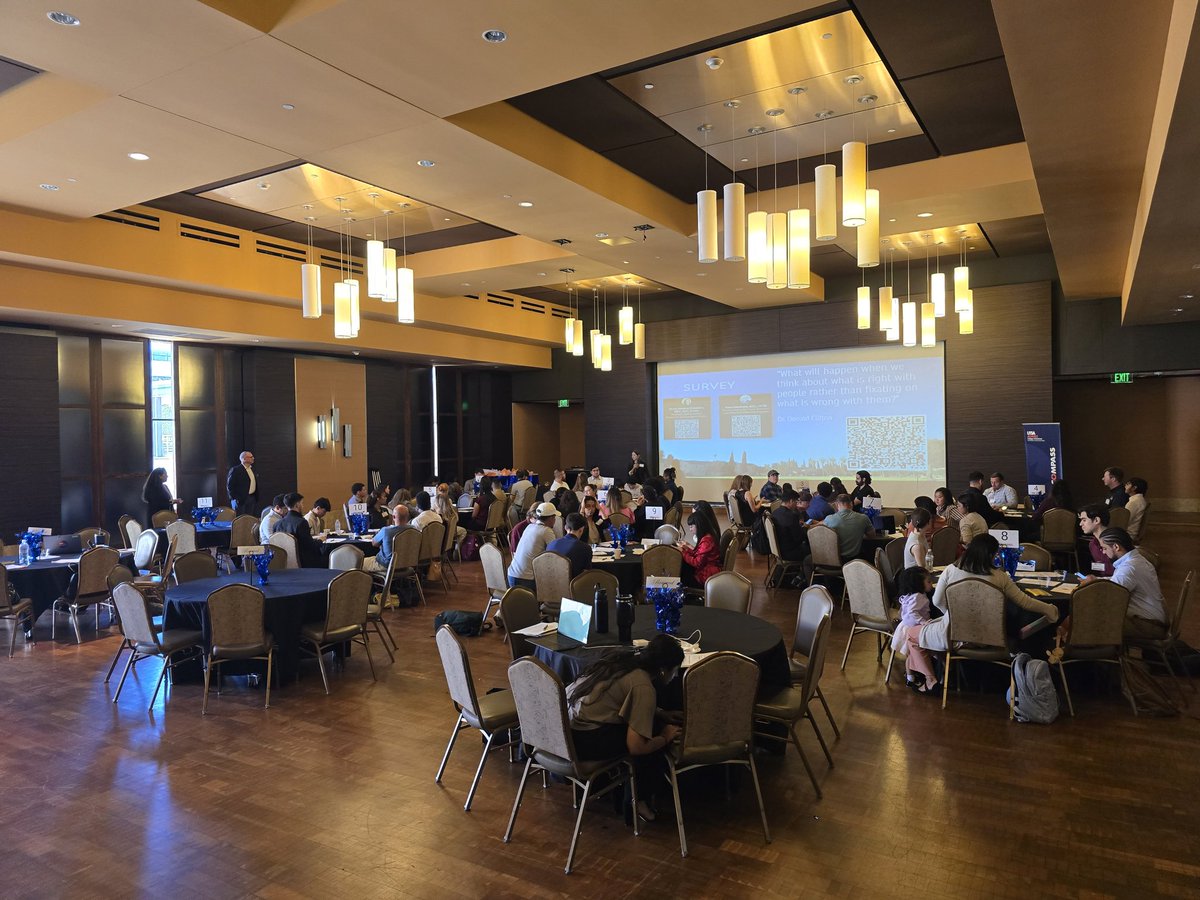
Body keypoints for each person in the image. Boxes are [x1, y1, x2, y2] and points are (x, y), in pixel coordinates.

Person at [567, 634, 683, 822]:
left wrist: (659, 712)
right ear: (663, 670)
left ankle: (626, 796)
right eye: (674, 670)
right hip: (584, 742)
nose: (674, 676)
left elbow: (618, 702)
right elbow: (636, 747)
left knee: (647, 724)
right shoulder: (644, 686)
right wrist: (665, 737)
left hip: (567, 732)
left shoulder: (622, 661)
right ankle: (638, 801)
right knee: (650, 736)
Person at [918, 534, 1059, 654]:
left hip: (957, 636)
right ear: (991, 555)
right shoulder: (1000, 577)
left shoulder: (951, 570)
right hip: (992, 638)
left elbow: (937, 601)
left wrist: (953, 615)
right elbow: (1024, 601)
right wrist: (1049, 609)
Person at [1082, 527, 1168, 639]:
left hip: (1149, 625)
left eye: (1104, 548)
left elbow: (1110, 596)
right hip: (1152, 620)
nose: (1103, 552)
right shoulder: (1137, 560)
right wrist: (1096, 580)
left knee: (1091, 620)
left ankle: (1102, 655)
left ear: (1116, 547)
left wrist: (1088, 588)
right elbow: (1117, 582)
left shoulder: (1129, 568)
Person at [892, 566, 939, 693]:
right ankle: (911, 677)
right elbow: (912, 612)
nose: (931, 584)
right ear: (919, 584)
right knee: (911, 655)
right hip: (913, 627)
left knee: (910, 655)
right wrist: (924, 622)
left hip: (906, 626)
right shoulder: (919, 597)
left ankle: (911, 677)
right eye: (928, 582)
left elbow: (904, 612)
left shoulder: (910, 595)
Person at [506, 502, 557, 589]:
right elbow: (555, 555)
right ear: (551, 518)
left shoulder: (529, 527)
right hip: (526, 579)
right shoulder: (546, 531)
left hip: (511, 576)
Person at [273, 493, 323, 568]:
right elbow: (309, 546)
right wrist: (320, 541)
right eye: (302, 503)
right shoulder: (301, 523)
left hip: (284, 564)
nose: (303, 506)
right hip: (303, 564)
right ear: (297, 505)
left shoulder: (277, 525)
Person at [822, 494, 876, 560]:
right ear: (851, 504)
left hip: (834, 560)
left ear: (836, 505)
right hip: (854, 560)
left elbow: (824, 538)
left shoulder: (828, 519)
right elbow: (872, 535)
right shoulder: (863, 518)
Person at [365, 502, 414, 574]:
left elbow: (374, 544)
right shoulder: (414, 530)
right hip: (408, 564)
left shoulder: (386, 531)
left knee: (359, 562)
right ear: (407, 516)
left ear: (393, 517)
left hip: (387, 566)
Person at [679, 510, 721, 590]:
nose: (690, 529)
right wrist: (686, 549)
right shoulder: (707, 536)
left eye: (691, 526)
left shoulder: (707, 541)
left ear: (699, 525)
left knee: (681, 571)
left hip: (706, 575)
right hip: (706, 569)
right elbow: (699, 554)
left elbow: (697, 563)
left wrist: (683, 552)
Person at [547, 512, 592, 578]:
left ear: (565, 527)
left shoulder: (551, 544)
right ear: (581, 530)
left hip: (549, 583)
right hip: (572, 586)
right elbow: (586, 573)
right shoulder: (585, 548)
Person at [771, 487, 809, 562]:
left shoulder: (775, 512)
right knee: (815, 549)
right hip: (791, 551)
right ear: (791, 501)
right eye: (796, 502)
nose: (796, 504)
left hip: (778, 550)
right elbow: (799, 538)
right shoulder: (791, 516)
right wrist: (805, 529)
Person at [1077, 504, 1114, 576]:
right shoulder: (1092, 544)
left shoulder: (1114, 542)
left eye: (1084, 520)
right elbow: (1100, 568)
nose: (1080, 524)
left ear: (1096, 520)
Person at [226, 450, 259, 516]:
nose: (253, 458)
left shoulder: (252, 469)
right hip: (240, 500)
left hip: (251, 498)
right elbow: (230, 486)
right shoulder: (236, 470)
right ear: (244, 459)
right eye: (251, 457)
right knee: (240, 520)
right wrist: (235, 498)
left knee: (249, 519)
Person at [1124, 477, 1149, 542]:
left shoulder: (1134, 502)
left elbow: (1125, 521)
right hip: (1133, 534)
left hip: (1128, 535)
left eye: (1128, 484)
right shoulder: (1140, 500)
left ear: (1134, 488)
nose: (1125, 486)